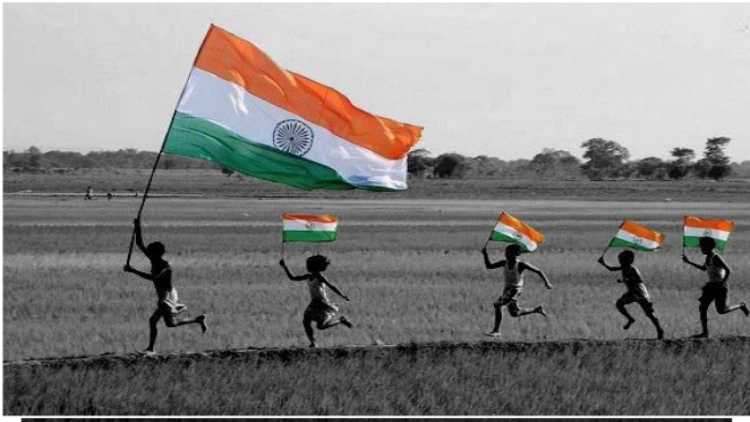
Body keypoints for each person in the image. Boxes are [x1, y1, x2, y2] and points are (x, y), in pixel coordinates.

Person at [123, 218, 207, 353]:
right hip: (164, 294)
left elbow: (153, 278)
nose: (148, 254)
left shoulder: (165, 267)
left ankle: (151, 347)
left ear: (157, 253)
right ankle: (197, 320)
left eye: (151, 253)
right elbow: (139, 243)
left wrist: (132, 270)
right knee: (168, 324)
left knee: (156, 321)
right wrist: (137, 226)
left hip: (168, 296)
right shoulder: (154, 259)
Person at [279, 255, 353, 347]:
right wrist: (285, 267)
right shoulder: (308, 276)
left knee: (313, 323)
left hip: (322, 303)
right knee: (314, 324)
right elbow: (292, 278)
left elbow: (331, 286)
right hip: (315, 302)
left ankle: (315, 341)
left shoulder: (319, 276)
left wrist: (342, 295)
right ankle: (315, 340)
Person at [682, 236, 748, 338]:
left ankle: (741, 305)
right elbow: (704, 268)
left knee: (722, 310)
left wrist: (723, 283)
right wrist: (689, 262)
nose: (701, 249)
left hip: (721, 287)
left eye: (702, 247)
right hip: (711, 286)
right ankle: (705, 333)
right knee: (702, 307)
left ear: (708, 247)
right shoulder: (707, 257)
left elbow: (728, 270)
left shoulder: (716, 257)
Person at [481, 243, 552, 337]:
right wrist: (485, 254)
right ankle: (536, 310)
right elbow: (489, 266)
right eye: (506, 253)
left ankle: (496, 331)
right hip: (507, 289)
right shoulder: (504, 262)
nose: (506, 255)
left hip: (515, 290)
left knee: (497, 305)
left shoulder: (521, 264)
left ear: (516, 254)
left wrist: (547, 283)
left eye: (509, 253)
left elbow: (538, 271)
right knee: (515, 313)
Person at [598, 250, 665, 339]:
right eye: (620, 260)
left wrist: (625, 280)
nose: (620, 262)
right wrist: (603, 263)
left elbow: (638, 280)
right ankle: (630, 319)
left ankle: (659, 329)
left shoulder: (632, 269)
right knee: (619, 304)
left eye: (622, 260)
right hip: (632, 292)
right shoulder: (625, 267)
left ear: (628, 260)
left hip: (639, 292)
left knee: (649, 313)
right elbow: (612, 269)